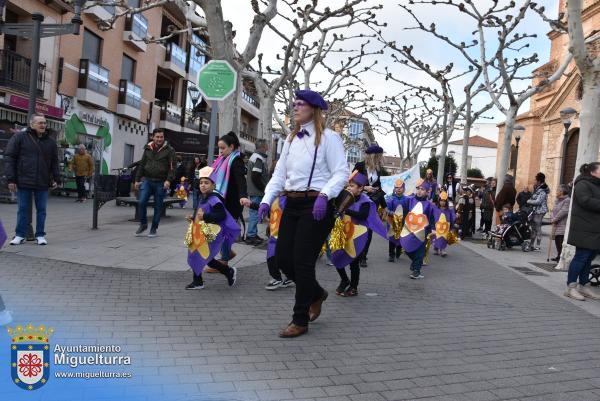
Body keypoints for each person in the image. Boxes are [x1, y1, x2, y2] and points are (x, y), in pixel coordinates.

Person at [258, 89, 349, 338]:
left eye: (300, 104)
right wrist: (267, 200)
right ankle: (317, 293)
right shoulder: (290, 139)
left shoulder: (330, 138)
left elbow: (341, 173)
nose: (295, 108)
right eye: (294, 104)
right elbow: (279, 175)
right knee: (283, 259)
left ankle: (300, 320)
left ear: (313, 109)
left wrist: (325, 195)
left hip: (316, 206)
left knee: (302, 261)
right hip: (292, 203)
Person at [5, 113, 60, 245]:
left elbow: (54, 162)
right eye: (40, 123)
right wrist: (11, 179)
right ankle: (19, 235)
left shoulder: (50, 142)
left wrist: (56, 178)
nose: (43, 125)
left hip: (42, 181)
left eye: (44, 123)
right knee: (22, 209)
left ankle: (40, 235)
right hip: (24, 179)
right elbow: (10, 158)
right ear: (32, 124)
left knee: (41, 210)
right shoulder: (19, 137)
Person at [330, 172, 387, 297]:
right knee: (336, 256)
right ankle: (344, 280)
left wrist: (345, 209)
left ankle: (354, 287)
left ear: (361, 188)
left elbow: (363, 215)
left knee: (354, 263)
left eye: (352, 185)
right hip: (344, 233)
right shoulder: (345, 197)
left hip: (358, 236)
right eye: (348, 186)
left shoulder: (365, 201)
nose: (349, 188)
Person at [185, 167, 239, 290]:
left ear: (213, 185)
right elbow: (199, 212)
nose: (203, 185)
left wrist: (205, 216)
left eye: (206, 183)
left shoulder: (214, 199)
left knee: (202, 256)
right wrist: (193, 219)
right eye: (201, 183)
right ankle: (200, 280)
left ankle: (225, 272)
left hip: (209, 233)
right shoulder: (203, 197)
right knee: (198, 256)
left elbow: (221, 215)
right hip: (199, 232)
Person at [209, 132, 247, 268]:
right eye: (219, 148)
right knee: (221, 231)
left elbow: (241, 181)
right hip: (222, 202)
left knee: (224, 231)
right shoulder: (222, 160)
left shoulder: (236, 161)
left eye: (223, 148)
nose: (220, 151)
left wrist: (243, 195)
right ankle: (227, 252)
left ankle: (224, 261)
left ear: (231, 147)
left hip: (233, 203)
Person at [240, 195, 294, 290]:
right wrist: (250, 204)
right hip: (275, 235)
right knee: (271, 257)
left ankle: (291, 276)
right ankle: (277, 277)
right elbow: (267, 208)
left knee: (284, 258)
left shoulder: (291, 199)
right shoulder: (275, 198)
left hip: (286, 235)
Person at [564, 162, 600, 301]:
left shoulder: (597, 184)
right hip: (584, 228)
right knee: (581, 257)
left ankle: (583, 285)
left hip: (595, 229)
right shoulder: (582, 184)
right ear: (593, 172)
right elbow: (585, 201)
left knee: (589, 258)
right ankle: (570, 287)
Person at [134, 128, 176, 237]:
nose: (159, 139)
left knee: (158, 206)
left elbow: (172, 168)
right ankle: (143, 224)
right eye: (157, 137)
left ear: (163, 138)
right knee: (141, 202)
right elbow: (142, 165)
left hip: (161, 182)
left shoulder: (170, 150)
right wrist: (137, 180)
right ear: (153, 137)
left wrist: (168, 180)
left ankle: (153, 228)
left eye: (161, 137)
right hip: (147, 180)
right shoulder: (148, 148)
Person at [353, 143, 386, 267]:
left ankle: (363, 256)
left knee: (369, 230)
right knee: (358, 228)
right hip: (359, 202)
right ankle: (355, 252)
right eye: (378, 157)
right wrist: (365, 187)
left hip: (372, 204)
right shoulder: (359, 166)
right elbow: (352, 182)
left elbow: (379, 188)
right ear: (373, 156)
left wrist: (385, 206)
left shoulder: (378, 169)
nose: (380, 159)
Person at [400, 179, 435, 279]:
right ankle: (415, 263)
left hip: (422, 232)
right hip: (408, 230)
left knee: (420, 252)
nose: (419, 191)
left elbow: (432, 219)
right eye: (418, 188)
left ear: (427, 192)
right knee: (407, 249)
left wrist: (432, 229)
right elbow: (405, 214)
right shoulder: (409, 200)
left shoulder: (430, 205)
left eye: (422, 189)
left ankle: (416, 270)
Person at [245, 139, 270, 245]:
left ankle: (253, 234)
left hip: (255, 191)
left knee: (254, 213)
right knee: (255, 213)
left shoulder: (256, 157)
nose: (268, 148)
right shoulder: (258, 159)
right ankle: (251, 235)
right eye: (267, 146)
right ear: (263, 147)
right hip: (257, 191)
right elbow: (256, 177)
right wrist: (264, 189)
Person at [526, 172, 549, 251]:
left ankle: (538, 245)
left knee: (537, 227)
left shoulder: (542, 190)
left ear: (539, 181)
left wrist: (528, 201)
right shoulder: (537, 188)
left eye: (535, 180)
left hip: (540, 211)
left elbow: (539, 201)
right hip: (535, 210)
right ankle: (532, 244)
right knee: (533, 227)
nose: (534, 181)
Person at [385, 179, 407, 262]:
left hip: (402, 222)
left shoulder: (406, 199)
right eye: (396, 187)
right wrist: (392, 213)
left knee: (401, 238)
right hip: (392, 222)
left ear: (404, 189)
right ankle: (391, 254)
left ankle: (398, 251)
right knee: (392, 238)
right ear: (394, 188)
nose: (398, 189)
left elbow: (408, 210)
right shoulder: (390, 199)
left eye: (400, 187)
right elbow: (386, 209)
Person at [432, 191, 456, 257]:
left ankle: (442, 250)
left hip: (445, 227)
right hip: (436, 226)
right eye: (441, 201)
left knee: (443, 238)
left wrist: (452, 228)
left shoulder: (449, 210)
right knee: (436, 237)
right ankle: (436, 248)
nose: (442, 202)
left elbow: (451, 219)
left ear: (446, 202)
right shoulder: (435, 208)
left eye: (444, 201)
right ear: (439, 201)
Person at [550, 184, 570, 262]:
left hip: (562, 223)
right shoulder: (557, 200)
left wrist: (555, 219)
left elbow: (563, 211)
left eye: (558, 190)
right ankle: (559, 255)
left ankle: (561, 257)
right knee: (557, 240)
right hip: (556, 223)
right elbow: (553, 210)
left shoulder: (567, 200)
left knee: (560, 240)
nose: (556, 192)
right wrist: (552, 218)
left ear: (562, 192)